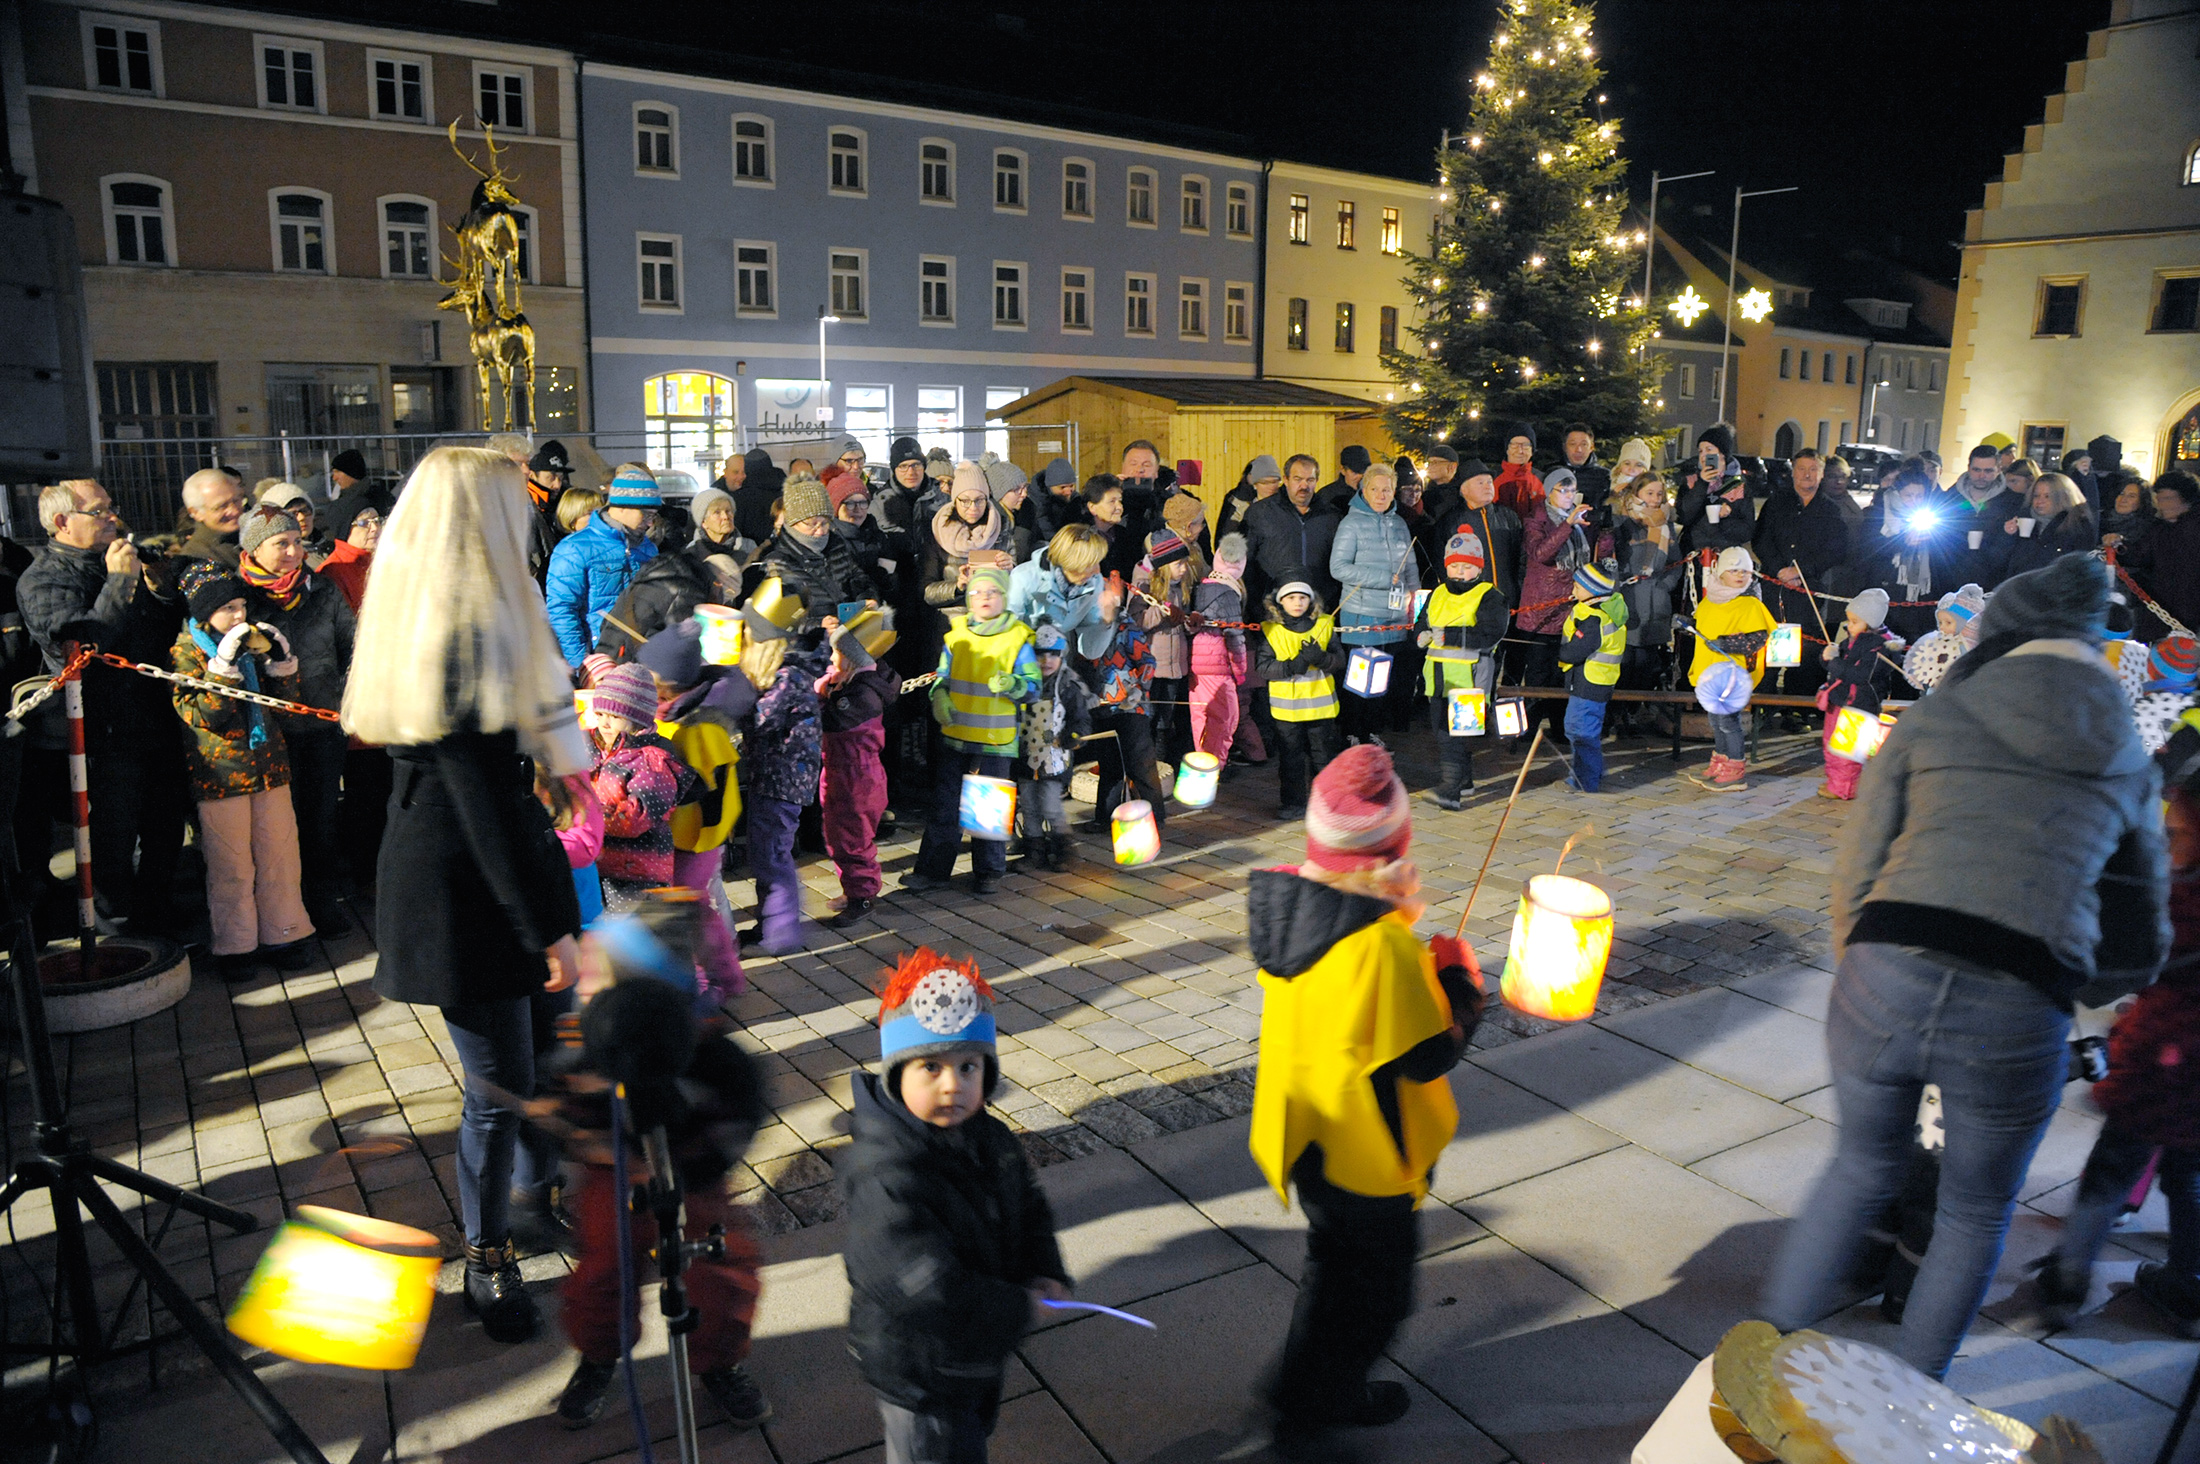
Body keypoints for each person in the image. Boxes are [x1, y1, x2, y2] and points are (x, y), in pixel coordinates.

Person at [1763, 554, 2168, 1381]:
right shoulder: (2123, 746)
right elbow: (2139, 931)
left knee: (1859, 1167)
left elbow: (1860, 865)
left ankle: (1761, 1364)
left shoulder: (1939, 716)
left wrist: (1861, 966)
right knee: (1975, 1211)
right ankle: (1910, 1403)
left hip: (1889, 964)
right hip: (2020, 998)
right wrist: (2083, 992)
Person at [343, 446, 589, 1344]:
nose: (527, 513)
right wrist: (551, 929)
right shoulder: (456, 633)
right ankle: (488, 1260)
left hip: (465, 876)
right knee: (497, 1087)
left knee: (527, 1068)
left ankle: (531, 1199)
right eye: (511, 504)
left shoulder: (442, 613)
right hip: (463, 894)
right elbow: (487, 808)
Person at [1246, 745, 1481, 1448]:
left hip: (1307, 1132)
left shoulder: (1296, 909)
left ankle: (1303, 1386)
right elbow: (1428, 1052)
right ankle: (1314, 1411)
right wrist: (1459, 983)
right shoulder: (1380, 945)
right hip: (1364, 1148)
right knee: (1377, 1293)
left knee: (1331, 1269)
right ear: (1391, 850)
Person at [844, 947, 1071, 1464]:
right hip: (918, 1366)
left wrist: (1043, 1266)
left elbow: (1029, 1206)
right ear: (896, 1076)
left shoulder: (990, 1137)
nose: (954, 1085)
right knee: (936, 1451)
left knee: (970, 1433)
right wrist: (1014, 1307)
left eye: (968, 1065)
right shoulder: (885, 1169)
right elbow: (918, 1280)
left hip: (975, 1348)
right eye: (930, 1066)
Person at [546, 911, 771, 1431]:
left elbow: (745, 1101)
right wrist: (571, 1126)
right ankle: (599, 1354)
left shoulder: (707, 1044)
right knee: (603, 1269)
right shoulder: (591, 1037)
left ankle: (719, 1359)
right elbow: (560, 1098)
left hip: (693, 1174)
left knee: (721, 1272)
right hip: (615, 1173)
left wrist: (704, 1161)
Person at [2038, 774, 2200, 1336]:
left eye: (2178, 828)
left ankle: (2066, 1281)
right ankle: (2190, 1287)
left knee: (2113, 1166)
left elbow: (2135, 953)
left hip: (2162, 1058)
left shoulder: (2180, 894)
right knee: (2192, 1172)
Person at [17, 479, 191, 936]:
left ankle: (159, 912)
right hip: (104, 731)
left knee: (166, 823)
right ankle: (118, 923)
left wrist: (160, 588)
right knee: (114, 833)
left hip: (157, 715)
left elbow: (162, 631)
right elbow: (82, 645)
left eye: (111, 507)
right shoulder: (44, 579)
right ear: (61, 522)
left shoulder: (122, 558)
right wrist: (120, 582)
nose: (112, 517)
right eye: (98, 511)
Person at [171, 567, 314, 979]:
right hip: (221, 777)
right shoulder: (185, 653)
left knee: (280, 855)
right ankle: (236, 946)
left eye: (242, 606)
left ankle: (284, 933)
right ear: (204, 613)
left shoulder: (253, 646)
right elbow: (203, 715)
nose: (239, 616)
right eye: (227, 608)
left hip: (269, 767)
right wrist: (224, 662)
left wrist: (282, 661)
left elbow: (286, 705)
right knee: (231, 865)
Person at [237, 503, 356, 935]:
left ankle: (321, 901)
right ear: (253, 550)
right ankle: (277, 909)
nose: (292, 552)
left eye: (296, 543)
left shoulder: (321, 590)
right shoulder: (239, 597)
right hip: (267, 732)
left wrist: (343, 697)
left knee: (320, 819)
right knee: (272, 828)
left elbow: (353, 644)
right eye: (280, 544)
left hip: (323, 724)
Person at [908, 565, 1037, 897]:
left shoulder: (1017, 638)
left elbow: (1034, 687)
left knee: (990, 806)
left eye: (992, 592)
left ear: (1004, 598)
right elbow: (942, 676)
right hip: (956, 734)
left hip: (997, 740)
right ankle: (933, 871)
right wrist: (939, 695)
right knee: (945, 805)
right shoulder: (957, 634)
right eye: (977, 592)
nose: (984, 598)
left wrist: (1015, 684)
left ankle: (989, 871)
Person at [732, 604, 828, 955]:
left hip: (782, 782)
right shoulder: (786, 673)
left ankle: (781, 933)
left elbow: (760, 720)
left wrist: (732, 696)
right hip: (774, 777)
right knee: (765, 853)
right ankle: (767, 924)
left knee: (772, 855)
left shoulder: (786, 677)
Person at [1753, 448, 1854, 706]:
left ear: (1821, 474)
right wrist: (1779, 570)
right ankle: (1763, 705)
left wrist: (1801, 571)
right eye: (1802, 469)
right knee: (1770, 649)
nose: (1806, 475)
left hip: (1809, 589)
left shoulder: (1830, 510)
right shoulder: (1776, 503)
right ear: (1793, 472)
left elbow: (1836, 549)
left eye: (1813, 470)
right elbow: (1761, 540)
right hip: (1774, 587)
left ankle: (1796, 708)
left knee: (1806, 651)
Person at [818, 618, 902, 928]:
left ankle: (863, 897)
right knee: (838, 836)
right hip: (842, 771)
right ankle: (853, 889)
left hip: (855, 778)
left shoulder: (859, 696)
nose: (829, 661)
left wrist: (822, 691)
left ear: (852, 660)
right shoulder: (855, 684)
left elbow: (828, 718)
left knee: (852, 838)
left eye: (835, 654)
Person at [1415, 531, 1509, 809]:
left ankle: (1449, 791)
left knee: (1455, 734)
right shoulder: (1437, 593)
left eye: (1466, 567)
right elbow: (1422, 621)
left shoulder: (1490, 596)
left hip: (1471, 678)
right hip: (1439, 677)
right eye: (1454, 566)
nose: (1459, 572)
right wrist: (1420, 634)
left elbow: (1490, 633)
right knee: (1442, 729)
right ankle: (1463, 782)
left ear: (1478, 568)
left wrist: (1451, 636)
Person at [594, 493, 746, 661]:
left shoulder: (674, 565)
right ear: (717, 584)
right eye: (723, 598)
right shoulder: (688, 590)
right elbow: (682, 648)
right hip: (628, 658)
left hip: (612, 645)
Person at [1329, 462, 1418, 747]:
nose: (1381, 495)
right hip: (1362, 614)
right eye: (1375, 489)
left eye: (1387, 490)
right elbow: (1338, 568)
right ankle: (1353, 731)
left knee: (1381, 680)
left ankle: (1371, 731)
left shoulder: (1400, 524)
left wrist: (1414, 601)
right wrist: (1381, 579)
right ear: (1363, 490)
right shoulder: (1351, 523)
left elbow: (1411, 567)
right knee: (1359, 680)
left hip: (1394, 616)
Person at [546, 465, 660, 665]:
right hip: (598, 658)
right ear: (622, 506)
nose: (650, 523)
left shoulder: (648, 548)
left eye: (653, 516)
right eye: (646, 514)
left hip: (640, 659)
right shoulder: (575, 549)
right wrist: (582, 664)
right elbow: (562, 610)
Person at [1684, 547, 1776, 793]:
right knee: (1716, 721)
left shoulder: (1749, 605)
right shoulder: (1710, 601)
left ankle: (1735, 768)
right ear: (1721, 572)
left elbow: (1757, 638)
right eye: (1734, 570)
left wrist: (1726, 643)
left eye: (1745, 571)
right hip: (1711, 673)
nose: (1740, 575)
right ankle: (1721, 760)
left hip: (1731, 675)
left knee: (1728, 723)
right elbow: (1703, 626)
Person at [1516, 468, 1596, 745]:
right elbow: (1541, 553)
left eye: (1572, 490)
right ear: (1549, 493)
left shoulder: (1577, 522)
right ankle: (1528, 729)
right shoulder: (1535, 520)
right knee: (1538, 673)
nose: (1568, 496)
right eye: (1563, 490)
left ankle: (1560, 729)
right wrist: (1567, 526)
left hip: (1570, 609)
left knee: (1564, 671)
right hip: (1542, 609)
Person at [1253, 579, 1345, 819]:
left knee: (1323, 757)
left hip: (1321, 707)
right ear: (1281, 602)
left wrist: (1322, 658)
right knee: (1291, 759)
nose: (1297, 603)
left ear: (1311, 601)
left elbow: (1339, 660)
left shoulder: (1324, 624)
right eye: (1291, 598)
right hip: (1288, 711)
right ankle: (1293, 803)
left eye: (1302, 598)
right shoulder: (1271, 631)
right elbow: (1263, 667)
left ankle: (1324, 802)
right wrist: (1293, 665)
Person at [1607, 473, 1685, 732]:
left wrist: (1666, 584)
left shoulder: (1667, 526)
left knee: (1648, 664)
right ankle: (1617, 711)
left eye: (1659, 494)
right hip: (1630, 599)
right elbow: (1611, 556)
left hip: (1656, 600)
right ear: (1637, 494)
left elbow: (1675, 562)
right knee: (1626, 660)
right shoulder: (1623, 522)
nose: (1654, 499)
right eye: (1649, 493)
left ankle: (1633, 711)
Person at [1018, 623, 1095, 873]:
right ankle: (1034, 851)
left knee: (1050, 804)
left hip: (1054, 758)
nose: (1046, 660)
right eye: (1040, 654)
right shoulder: (1024, 683)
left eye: (1053, 654)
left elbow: (1081, 719)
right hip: (1026, 757)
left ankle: (1065, 850)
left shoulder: (1068, 686)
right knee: (1028, 806)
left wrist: (1074, 736)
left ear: (1062, 655)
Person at [758, 471, 878, 620]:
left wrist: (865, 600)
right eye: (812, 524)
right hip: (814, 641)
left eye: (824, 523)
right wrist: (818, 626)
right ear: (793, 523)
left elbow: (860, 579)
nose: (820, 531)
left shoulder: (836, 546)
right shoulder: (778, 562)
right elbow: (777, 619)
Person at [1816, 590, 1899, 801]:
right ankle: (1835, 781)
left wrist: (1835, 663)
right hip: (1839, 699)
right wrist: (1828, 657)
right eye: (1849, 620)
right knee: (1831, 744)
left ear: (1870, 623)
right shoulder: (1851, 640)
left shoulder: (1880, 647)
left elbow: (1861, 675)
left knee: (1848, 749)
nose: (1848, 626)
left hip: (1859, 704)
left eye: (1854, 621)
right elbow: (1838, 667)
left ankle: (1845, 787)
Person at [1557, 564, 1626, 793]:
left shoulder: (1595, 619)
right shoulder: (1597, 611)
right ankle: (1592, 770)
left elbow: (1575, 651)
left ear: (1592, 591)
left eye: (1577, 586)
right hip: (1593, 682)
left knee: (1581, 731)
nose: (1573, 590)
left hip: (1590, 684)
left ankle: (1585, 779)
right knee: (1582, 729)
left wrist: (1557, 652)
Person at [1135, 529, 1201, 765]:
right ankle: (1150, 764)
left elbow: (1181, 626)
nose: (1184, 569)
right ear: (1163, 565)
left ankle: (1163, 765)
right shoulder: (1144, 585)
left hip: (1175, 666)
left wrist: (1191, 623)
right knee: (1151, 718)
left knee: (1167, 719)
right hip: (1154, 664)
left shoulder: (1180, 587)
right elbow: (1137, 622)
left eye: (1185, 563)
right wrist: (1162, 611)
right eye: (1178, 564)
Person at [1244, 454, 1342, 612]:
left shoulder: (1331, 516)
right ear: (1286, 479)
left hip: (1319, 608)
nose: (1304, 486)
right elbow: (1246, 562)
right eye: (1298, 479)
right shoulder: (1261, 513)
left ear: (1317, 480)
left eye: (1310, 480)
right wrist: (1255, 604)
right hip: (1272, 608)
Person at [920, 463, 1011, 627]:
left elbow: (1015, 588)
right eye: (965, 501)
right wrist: (957, 586)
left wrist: (1010, 569)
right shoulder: (937, 533)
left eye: (979, 500)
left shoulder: (1001, 530)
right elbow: (927, 593)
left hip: (993, 622)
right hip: (952, 624)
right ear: (955, 500)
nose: (973, 507)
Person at [1190, 534, 1254, 767]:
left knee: (1201, 719)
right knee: (1225, 720)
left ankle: (1199, 768)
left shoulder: (1201, 587)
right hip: (1219, 667)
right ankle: (1213, 770)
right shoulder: (1229, 594)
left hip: (1197, 666)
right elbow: (1235, 636)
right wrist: (1240, 671)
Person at [1929, 445, 2022, 591]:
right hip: (1949, 580)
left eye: (1988, 471)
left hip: (1993, 583)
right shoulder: (1949, 498)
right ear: (1968, 467)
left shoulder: (2013, 502)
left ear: (1999, 470)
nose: (1981, 476)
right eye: (1976, 470)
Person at [2126, 471, 2200, 638]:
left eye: (2167, 499)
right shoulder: (2159, 529)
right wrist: (2119, 546)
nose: (2162, 505)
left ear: (2186, 499)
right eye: (2159, 499)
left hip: (2190, 613)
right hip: (2159, 611)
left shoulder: (2192, 529)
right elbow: (2139, 555)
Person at [1677, 428, 1755, 569]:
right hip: (1693, 558)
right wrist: (1702, 484)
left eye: (1709, 450)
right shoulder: (1691, 482)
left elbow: (1747, 530)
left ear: (1723, 454)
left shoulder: (1738, 485)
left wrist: (1725, 518)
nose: (1704, 455)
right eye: (1701, 451)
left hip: (1725, 561)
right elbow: (1684, 516)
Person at [2001, 470, 2098, 578]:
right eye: (2036, 496)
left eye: (2047, 496)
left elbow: (2081, 567)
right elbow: (2002, 562)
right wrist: (2008, 536)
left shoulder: (2077, 525)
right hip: (2022, 586)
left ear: (2063, 497)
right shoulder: (2024, 520)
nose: (2040, 501)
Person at [523, 440, 573, 581]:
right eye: (550, 478)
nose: (556, 485)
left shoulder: (563, 501)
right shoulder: (522, 505)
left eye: (561, 478)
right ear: (532, 476)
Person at [178, 467, 247, 567]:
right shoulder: (197, 557)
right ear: (196, 513)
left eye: (236, 501)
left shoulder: (254, 534)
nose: (234, 511)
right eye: (221, 506)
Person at [1219, 454, 1283, 541]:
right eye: (1265, 482)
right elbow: (1228, 534)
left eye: (1275, 481)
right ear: (1254, 484)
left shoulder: (1285, 504)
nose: (1271, 486)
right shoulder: (1242, 506)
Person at [877, 437, 930, 536]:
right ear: (894, 470)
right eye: (903, 466)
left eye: (916, 465)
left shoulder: (940, 497)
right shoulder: (879, 503)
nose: (911, 472)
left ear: (924, 466)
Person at [728, 449, 781, 547]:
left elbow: (735, 530)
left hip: (749, 552)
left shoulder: (739, 498)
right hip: (780, 549)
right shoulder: (784, 492)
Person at [1492, 423, 1543, 518]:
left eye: (1525, 445)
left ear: (1532, 451)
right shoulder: (1492, 478)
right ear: (1507, 449)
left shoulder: (1542, 479)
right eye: (1514, 445)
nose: (1520, 451)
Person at [2100, 474, 2155, 559]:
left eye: (2131, 496)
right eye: (2121, 494)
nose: (2123, 499)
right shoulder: (2100, 521)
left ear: (2142, 501)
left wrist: (2121, 544)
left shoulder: (2149, 528)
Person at [1031, 456, 1085, 540]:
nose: (1068, 492)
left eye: (1071, 486)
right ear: (1050, 486)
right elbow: (1046, 529)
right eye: (1062, 487)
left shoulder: (1076, 501)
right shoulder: (1036, 502)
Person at [1314, 444, 1371, 516]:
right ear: (1343, 470)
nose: (1360, 476)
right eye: (1355, 472)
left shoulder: (1374, 493)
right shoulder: (1326, 496)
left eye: (1364, 471)